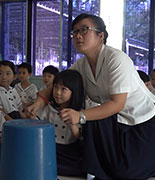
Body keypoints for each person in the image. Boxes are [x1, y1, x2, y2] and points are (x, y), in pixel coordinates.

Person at [27, 13, 155, 179]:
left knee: (126, 174)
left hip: (142, 121)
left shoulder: (116, 59)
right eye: (74, 32)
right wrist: (37, 103)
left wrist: (79, 116)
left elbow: (117, 104)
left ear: (100, 35)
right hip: (115, 122)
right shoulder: (82, 65)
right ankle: (94, 171)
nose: (78, 36)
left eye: (84, 30)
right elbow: (57, 83)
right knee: (106, 162)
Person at [37, 69, 84, 176]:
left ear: (74, 91)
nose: (57, 92)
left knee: (79, 168)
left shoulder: (78, 112)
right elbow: (38, 123)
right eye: (55, 87)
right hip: (50, 147)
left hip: (69, 150)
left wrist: (72, 124)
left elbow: (78, 136)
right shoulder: (49, 108)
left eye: (63, 89)